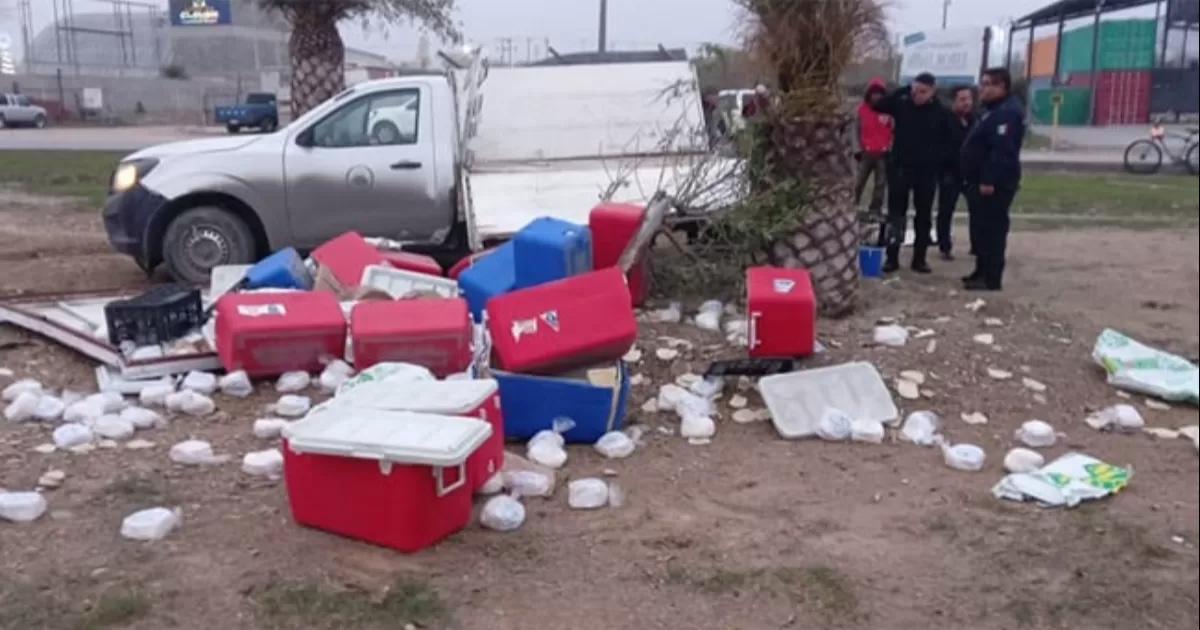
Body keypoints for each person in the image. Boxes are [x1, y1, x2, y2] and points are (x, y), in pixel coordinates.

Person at [872, 72, 952, 274]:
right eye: (915, 90)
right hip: (900, 169)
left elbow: (948, 141)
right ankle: (892, 257)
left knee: (923, 216)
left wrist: (939, 164)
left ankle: (919, 258)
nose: (917, 95)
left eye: (922, 92)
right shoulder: (902, 104)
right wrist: (904, 89)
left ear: (932, 92)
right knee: (896, 215)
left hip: (926, 172)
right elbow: (878, 106)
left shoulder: (941, 112)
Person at [960, 68, 1025, 291]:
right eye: (982, 83)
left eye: (988, 84)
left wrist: (989, 179)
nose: (982, 89)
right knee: (981, 228)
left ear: (1001, 87)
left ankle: (991, 277)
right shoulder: (991, 110)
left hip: (995, 183)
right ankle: (981, 270)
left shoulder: (1008, 112)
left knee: (992, 229)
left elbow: (1001, 151)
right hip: (978, 180)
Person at [937, 85, 977, 261]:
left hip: (971, 174)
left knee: (977, 209)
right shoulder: (945, 120)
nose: (967, 103)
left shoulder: (975, 120)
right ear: (954, 101)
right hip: (950, 173)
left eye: (969, 99)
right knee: (946, 211)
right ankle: (945, 246)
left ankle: (977, 245)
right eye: (962, 99)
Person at [853, 78, 893, 220]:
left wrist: (890, 147)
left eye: (879, 93)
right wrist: (857, 148)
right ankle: (851, 206)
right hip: (865, 152)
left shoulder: (888, 111)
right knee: (858, 182)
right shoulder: (861, 109)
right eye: (874, 93)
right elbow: (855, 130)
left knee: (880, 184)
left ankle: (875, 210)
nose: (876, 96)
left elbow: (893, 130)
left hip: (883, 153)